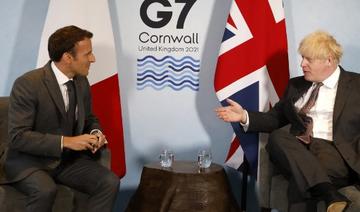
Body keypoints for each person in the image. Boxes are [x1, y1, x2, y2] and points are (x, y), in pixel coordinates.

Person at [215, 30, 360, 212]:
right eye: (302, 58)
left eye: (308, 59)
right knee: (277, 137)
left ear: (329, 60)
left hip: (334, 153)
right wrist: (243, 116)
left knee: (299, 180)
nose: (302, 64)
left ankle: (325, 190)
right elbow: (275, 118)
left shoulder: (356, 85)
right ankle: (328, 192)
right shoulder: (296, 85)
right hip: (298, 148)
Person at [5, 25, 119, 212]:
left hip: (66, 162)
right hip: (30, 162)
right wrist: (67, 142)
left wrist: (96, 133)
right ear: (68, 57)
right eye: (88, 54)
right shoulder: (28, 84)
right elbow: (18, 137)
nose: (93, 59)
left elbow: (89, 118)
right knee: (45, 190)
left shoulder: (81, 81)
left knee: (109, 181)